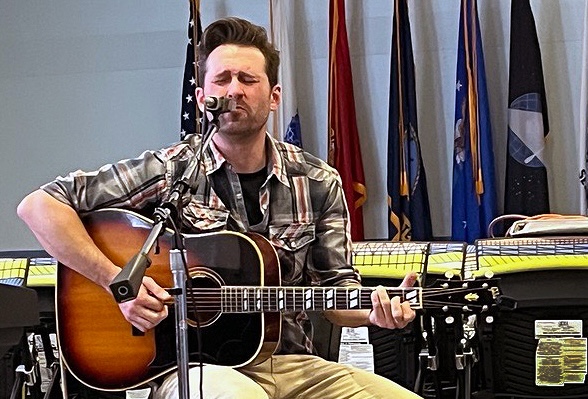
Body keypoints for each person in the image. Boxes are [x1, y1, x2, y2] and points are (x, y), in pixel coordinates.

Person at [17, 17, 421, 399]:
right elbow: (38, 206)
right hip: (194, 366)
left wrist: (374, 311)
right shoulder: (171, 170)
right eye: (222, 79)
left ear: (274, 96)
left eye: (248, 79)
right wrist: (117, 282)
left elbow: (335, 296)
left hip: (294, 364)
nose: (234, 90)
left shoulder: (318, 181)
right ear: (201, 97)